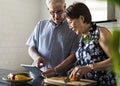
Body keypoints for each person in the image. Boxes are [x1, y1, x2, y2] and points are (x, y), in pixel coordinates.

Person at [65, 2, 116, 86]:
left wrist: (89, 68)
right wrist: (77, 70)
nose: (70, 27)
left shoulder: (101, 33)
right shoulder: (83, 37)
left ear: (81, 18)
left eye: (70, 22)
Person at [26, 0, 79, 78]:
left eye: (59, 12)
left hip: (61, 78)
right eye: (52, 12)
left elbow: (74, 56)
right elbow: (31, 47)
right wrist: (37, 57)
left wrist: (56, 70)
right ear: (48, 10)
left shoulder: (74, 27)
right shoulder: (40, 25)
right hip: (38, 75)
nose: (56, 16)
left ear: (65, 8)